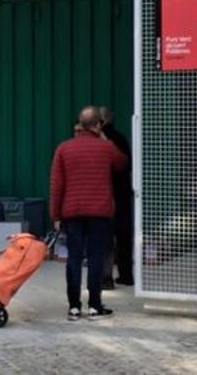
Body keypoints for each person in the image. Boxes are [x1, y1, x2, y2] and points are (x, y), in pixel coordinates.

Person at [50, 106, 128, 320]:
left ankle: (74, 307)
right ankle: (95, 305)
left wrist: (55, 215)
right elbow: (122, 163)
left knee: (74, 258)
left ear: (79, 124)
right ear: (98, 125)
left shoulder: (63, 149)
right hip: (99, 211)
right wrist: (104, 139)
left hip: (72, 211)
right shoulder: (105, 148)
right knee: (96, 258)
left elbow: (57, 185)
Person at [99, 106, 134, 286]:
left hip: (104, 194)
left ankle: (106, 278)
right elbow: (127, 164)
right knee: (124, 237)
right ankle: (126, 275)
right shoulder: (120, 138)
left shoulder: (98, 140)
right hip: (121, 193)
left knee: (105, 237)